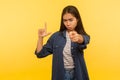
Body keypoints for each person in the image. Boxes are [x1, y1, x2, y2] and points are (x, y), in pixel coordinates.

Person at [35, 5, 90, 80]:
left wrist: (79, 38)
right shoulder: (56, 36)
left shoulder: (80, 35)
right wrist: (40, 38)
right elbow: (40, 54)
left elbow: (85, 39)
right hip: (61, 74)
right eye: (65, 20)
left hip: (78, 73)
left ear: (77, 19)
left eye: (71, 20)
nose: (68, 23)